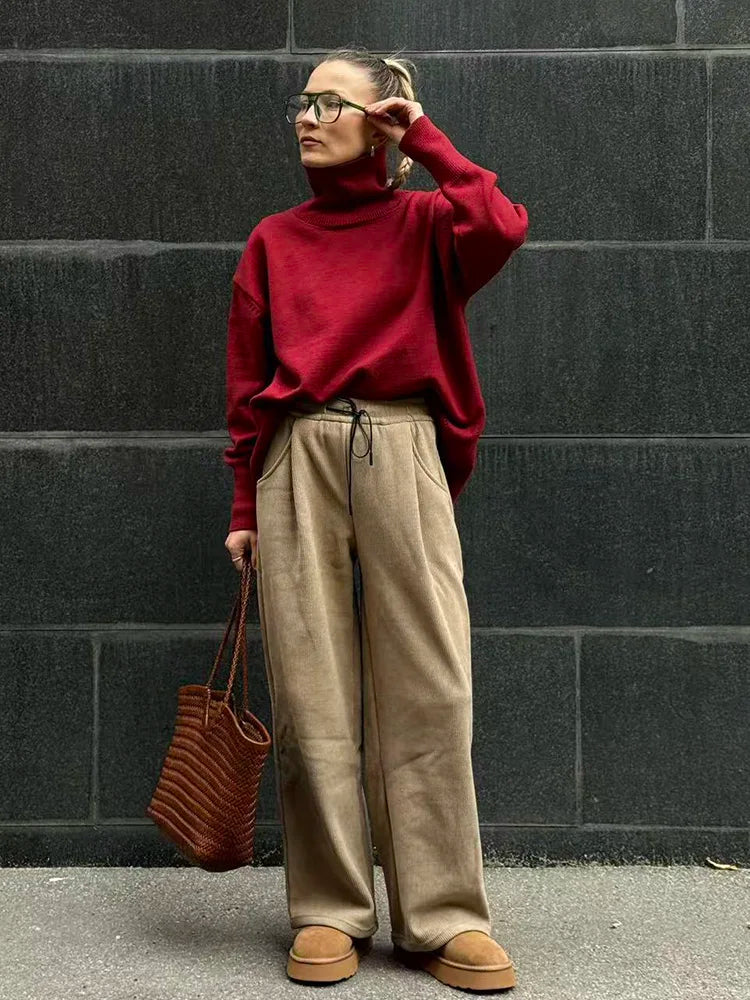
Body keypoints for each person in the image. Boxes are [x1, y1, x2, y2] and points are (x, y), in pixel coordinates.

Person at [223, 46, 528, 991]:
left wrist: (425, 140)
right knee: (309, 679)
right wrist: (244, 499)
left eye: (329, 102)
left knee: (431, 679)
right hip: (298, 452)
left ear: (382, 117)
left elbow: (503, 224)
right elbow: (246, 382)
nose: (307, 118)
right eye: (299, 103)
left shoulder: (430, 223)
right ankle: (329, 908)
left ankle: (441, 915)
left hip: (403, 446)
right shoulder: (274, 239)